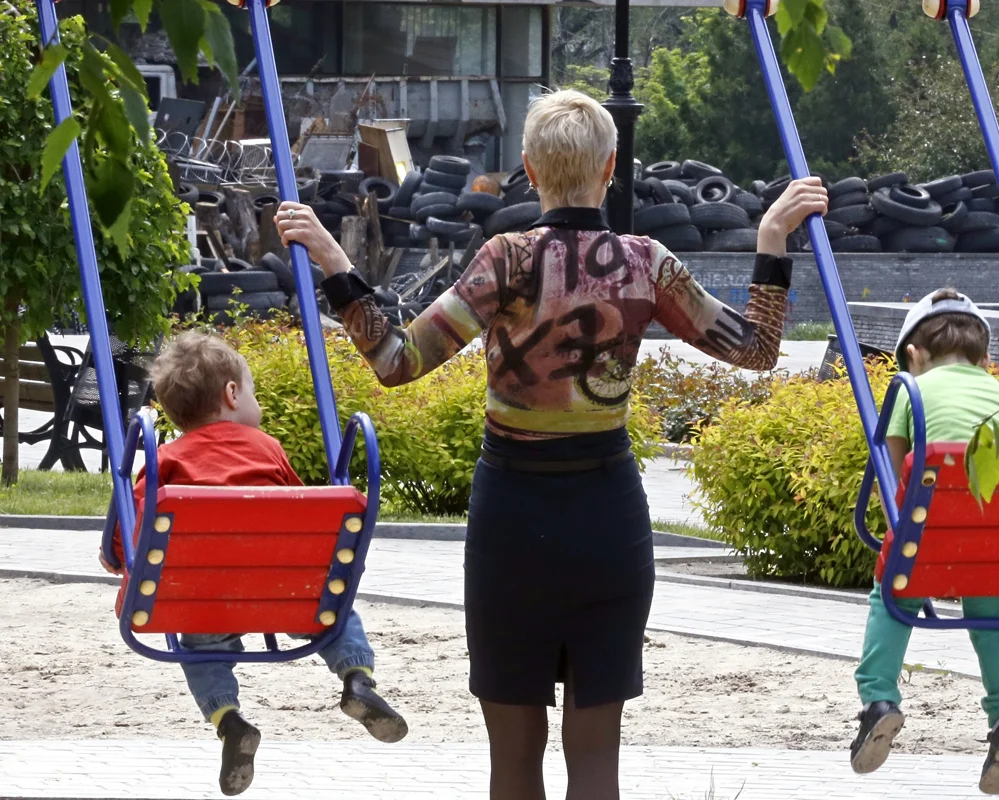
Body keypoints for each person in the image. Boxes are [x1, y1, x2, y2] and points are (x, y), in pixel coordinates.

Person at [276, 89, 827, 800]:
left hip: (512, 519)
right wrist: (771, 239)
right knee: (596, 763)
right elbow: (756, 349)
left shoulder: (504, 260)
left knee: (513, 762)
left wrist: (331, 258)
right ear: (611, 169)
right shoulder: (646, 262)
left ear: (530, 171)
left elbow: (396, 361)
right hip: (608, 520)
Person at [98, 332, 407, 797]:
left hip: (203, 605)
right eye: (254, 391)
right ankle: (356, 679)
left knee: (197, 650)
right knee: (335, 610)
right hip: (283, 597)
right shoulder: (268, 449)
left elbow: (131, 532)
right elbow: (302, 516)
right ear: (232, 394)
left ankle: (229, 720)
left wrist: (114, 555)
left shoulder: (165, 463)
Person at [850, 288, 999, 795]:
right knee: (992, 619)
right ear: (985, 357)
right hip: (998, 546)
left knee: (892, 596)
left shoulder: (910, 390)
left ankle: (879, 700)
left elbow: (893, 481)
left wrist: (900, 532)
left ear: (914, 354)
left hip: (929, 536)